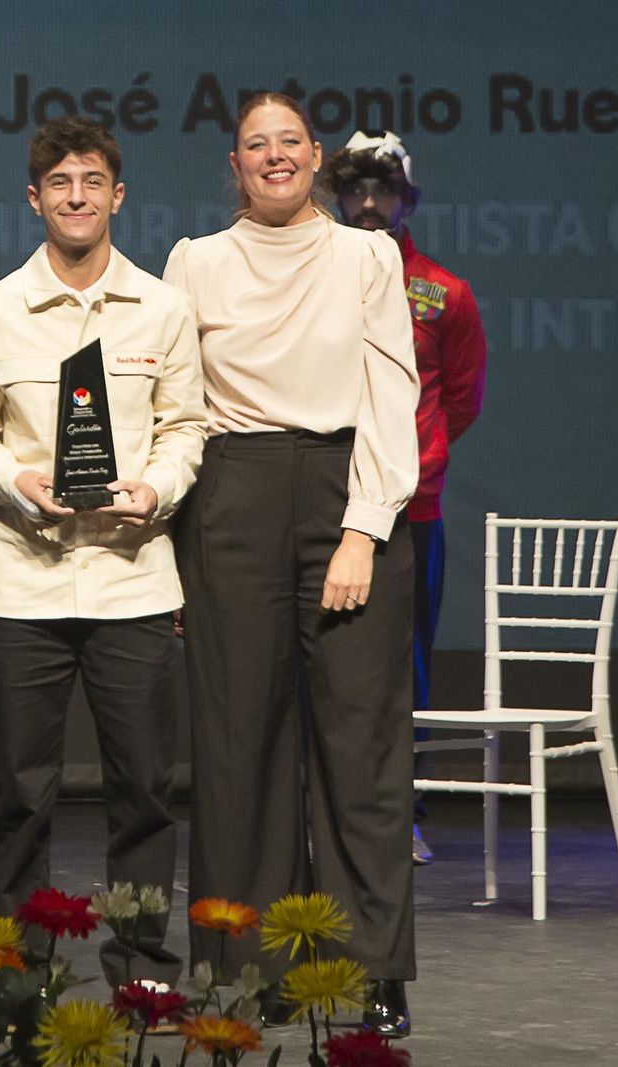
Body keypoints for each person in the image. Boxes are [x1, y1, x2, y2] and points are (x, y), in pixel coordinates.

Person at [164, 93, 420, 1037]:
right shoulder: (194, 261)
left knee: (361, 744)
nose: (273, 156)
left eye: (289, 142)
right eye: (254, 145)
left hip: (344, 490)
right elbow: (175, 405)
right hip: (230, 495)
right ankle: (246, 967)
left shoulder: (366, 256)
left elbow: (391, 391)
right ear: (234, 165)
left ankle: (372, 967)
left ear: (316, 157)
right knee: (240, 744)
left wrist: (362, 528)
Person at [0, 116, 206, 989]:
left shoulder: (163, 309)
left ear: (117, 196)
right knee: (21, 795)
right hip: (23, 585)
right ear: (34, 199)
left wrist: (155, 488)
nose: (77, 196)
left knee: (144, 793)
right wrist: (14, 479)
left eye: (92, 181)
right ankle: (19, 973)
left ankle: (141, 967)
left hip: (134, 582)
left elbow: (186, 428)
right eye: (60, 182)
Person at [322, 129, 488, 866]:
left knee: (404, 664)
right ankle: (319, 808)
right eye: (354, 189)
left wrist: (409, 458)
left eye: (382, 191)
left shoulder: (444, 293)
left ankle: (401, 813)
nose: (367, 203)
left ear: (407, 201)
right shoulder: (314, 278)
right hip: (321, 499)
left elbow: (460, 400)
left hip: (408, 509)